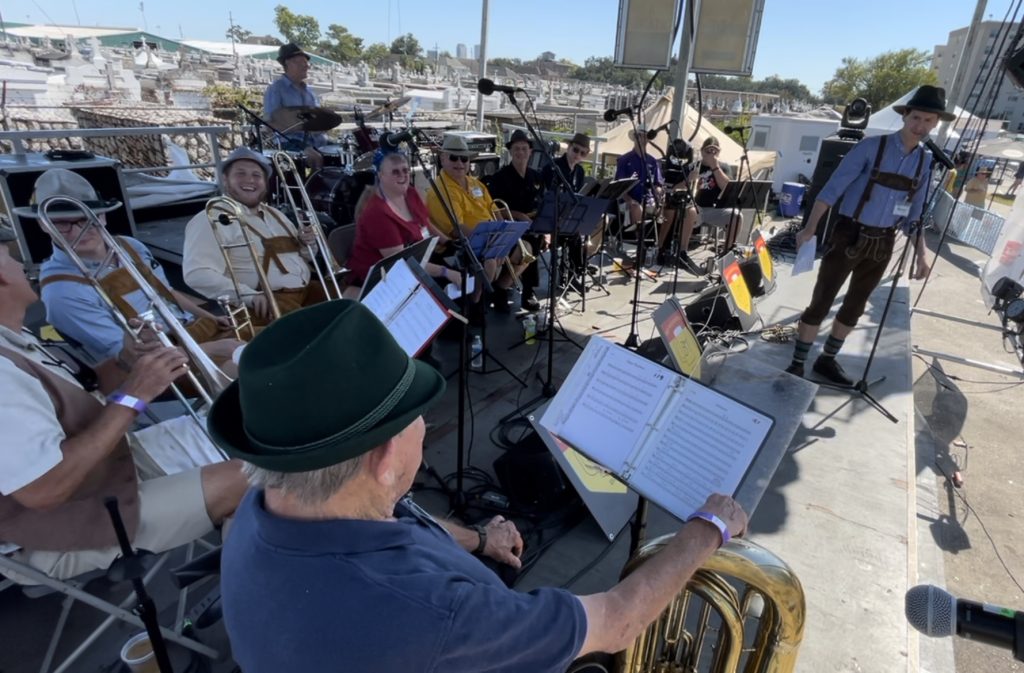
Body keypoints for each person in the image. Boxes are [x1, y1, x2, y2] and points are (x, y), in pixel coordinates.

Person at [212, 300, 747, 672]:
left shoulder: (263, 511)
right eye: (419, 417)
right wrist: (707, 528)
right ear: (384, 457)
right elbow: (618, 622)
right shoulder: (437, 615)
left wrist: (479, 539)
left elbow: (406, 524)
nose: (425, 427)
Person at [0, 243, 246, 582]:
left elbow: (85, 388)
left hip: (109, 467)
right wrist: (135, 395)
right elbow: (44, 490)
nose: (22, 266)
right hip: (62, 526)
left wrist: (126, 362)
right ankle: (254, 594)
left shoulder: (12, 336)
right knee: (256, 477)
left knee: (238, 433)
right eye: (10, 258)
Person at [785, 85, 950, 385]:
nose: (920, 125)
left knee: (855, 306)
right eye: (916, 117)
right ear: (905, 116)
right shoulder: (871, 147)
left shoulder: (925, 162)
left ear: (936, 123)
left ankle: (826, 360)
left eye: (928, 120)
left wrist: (922, 255)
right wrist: (809, 229)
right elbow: (831, 190)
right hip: (849, 233)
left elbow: (914, 214)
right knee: (822, 300)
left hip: (883, 241)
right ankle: (797, 364)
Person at [17, 169, 243, 375]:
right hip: (158, 367)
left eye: (87, 219)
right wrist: (213, 348)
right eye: (62, 224)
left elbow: (166, 292)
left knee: (262, 340)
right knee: (244, 370)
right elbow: (131, 360)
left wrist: (211, 318)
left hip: (192, 331)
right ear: (43, 224)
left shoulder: (129, 246)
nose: (78, 231)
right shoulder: (61, 291)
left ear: (103, 216)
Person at [183, 147, 325, 326]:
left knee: (349, 304)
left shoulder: (275, 214)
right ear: (225, 180)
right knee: (322, 327)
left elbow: (305, 257)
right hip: (268, 303)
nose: (250, 180)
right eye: (240, 173)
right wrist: (249, 296)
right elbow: (197, 274)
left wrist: (306, 244)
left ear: (265, 182)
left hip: (307, 291)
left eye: (257, 175)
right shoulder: (212, 218)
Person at [345, 148, 458, 293]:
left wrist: (449, 243)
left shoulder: (409, 193)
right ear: (380, 175)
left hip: (416, 262)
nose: (402, 175)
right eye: (395, 172)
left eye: (405, 170)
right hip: (382, 280)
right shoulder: (377, 214)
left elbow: (425, 223)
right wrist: (445, 272)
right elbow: (401, 261)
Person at [425, 135, 507, 311]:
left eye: (464, 158)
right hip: (457, 244)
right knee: (490, 261)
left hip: (488, 237)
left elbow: (494, 210)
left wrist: (503, 235)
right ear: (442, 158)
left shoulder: (475, 183)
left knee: (524, 248)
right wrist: (491, 243)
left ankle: (499, 292)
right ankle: (475, 302)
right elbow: (457, 229)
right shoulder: (441, 190)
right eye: (454, 158)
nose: (460, 163)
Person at [485, 129, 543, 311]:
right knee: (531, 241)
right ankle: (507, 288)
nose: (520, 152)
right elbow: (495, 207)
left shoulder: (536, 176)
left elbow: (542, 202)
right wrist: (518, 215)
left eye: (524, 148)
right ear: (510, 151)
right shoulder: (500, 177)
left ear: (530, 151)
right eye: (516, 149)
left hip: (532, 223)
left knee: (538, 237)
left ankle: (526, 290)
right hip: (510, 225)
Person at [263, 42, 327, 169]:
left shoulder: (309, 91)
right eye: (301, 62)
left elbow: (318, 119)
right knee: (316, 157)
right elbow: (269, 125)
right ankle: (313, 181)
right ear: (288, 63)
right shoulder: (276, 89)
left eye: (306, 62)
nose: (306, 66)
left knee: (346, 151)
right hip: (289, 142)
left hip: (316, 141)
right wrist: (296, 126)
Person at [658, 137, 702, 275]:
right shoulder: (663, 164)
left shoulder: (690, 167)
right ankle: (660, 248)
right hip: (665, 197)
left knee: (691, 212)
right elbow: (666, 186)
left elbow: (688, 189)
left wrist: (693, 180)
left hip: (682, 198)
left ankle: (682, 251)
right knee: (670, 211)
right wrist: (687, 180)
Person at [691, 136, 743, 253]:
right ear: (702, 151)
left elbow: (726, 187)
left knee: (737, 216)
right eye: (708, 151)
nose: (711, 154)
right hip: (696, 207)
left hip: (715, 210)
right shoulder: (694, 166)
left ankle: (727, 250)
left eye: (714, 151)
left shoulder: (723, 167)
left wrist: (715, 166)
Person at [615, 125, 663, 235]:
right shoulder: (624, 160)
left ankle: (659, 243)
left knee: (668, 207)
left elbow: (657, 183)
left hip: (649, 200)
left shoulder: (652, 161)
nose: (642, 139)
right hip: (628, 200)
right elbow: (619, 186)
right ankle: (639, 240)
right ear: (635, 137)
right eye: (640, 136)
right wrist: (630, 200)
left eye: (646, 136)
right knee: (636, 207)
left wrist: (659, 193)